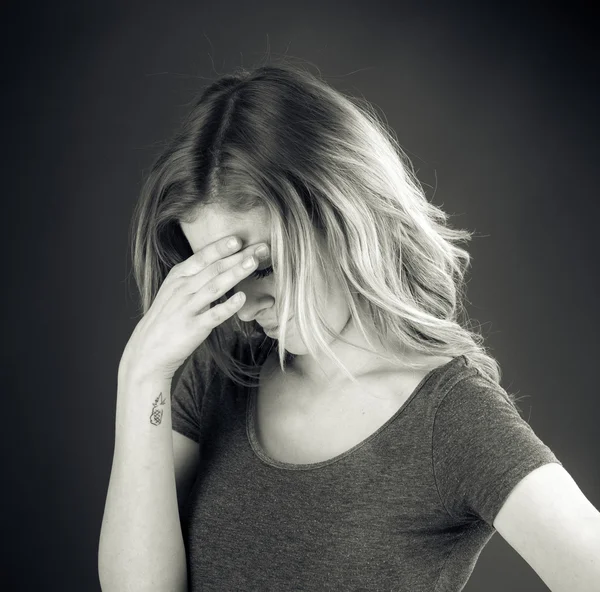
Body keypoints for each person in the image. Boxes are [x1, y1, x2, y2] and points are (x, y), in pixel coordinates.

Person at [98, 59, 593, 592]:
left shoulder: (450, 419)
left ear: (343, 219)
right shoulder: (217, 377)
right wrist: (142, 376)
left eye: (260, 267)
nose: (243, 306)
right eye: (220, 278)